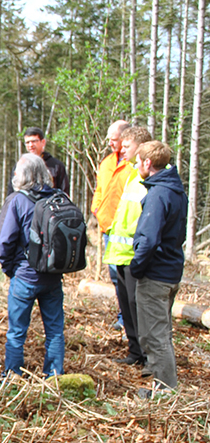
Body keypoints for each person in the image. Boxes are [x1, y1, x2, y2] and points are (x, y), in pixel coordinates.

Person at [0, 153, 64, 377]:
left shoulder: (17, 200)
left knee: (17, 332)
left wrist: (10, 269)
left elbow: (5, 242)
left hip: (25, 275)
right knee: (54, 331)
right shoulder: (58, 197)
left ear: (23, 175)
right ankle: (54, 376)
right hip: (53, 276)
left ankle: (13, 376)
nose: (14, 174)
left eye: (16, 171)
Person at [130, 140, 187, 393]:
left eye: (137, 161)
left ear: (147, 163)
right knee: (160, 332)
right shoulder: (175, 190)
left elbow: (149, 239)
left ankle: (165, 391)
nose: (135, 165)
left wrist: (137, 266)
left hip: (156, 274)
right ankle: (161, 384)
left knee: (154, 336)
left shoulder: (158, 194)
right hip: (170, 270)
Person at [104, 126, 153, 367]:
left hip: (135, 255)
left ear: (141, 148)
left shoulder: (150, 178)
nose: (122, 149)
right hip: (120, 254)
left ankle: (148, 357)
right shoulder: (132, 174)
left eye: (127, 146)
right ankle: (135, 352)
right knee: (127, 306)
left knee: (139, 307)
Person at [92, 120, 132, 329]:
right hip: (109, 228)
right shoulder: (107, 162)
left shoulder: (135, 163)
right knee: (116, 276)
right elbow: (100, 189)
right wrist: (96, 209)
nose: (109, 143)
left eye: (113, 139)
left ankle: (130, 320)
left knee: (129, 277)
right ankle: (123, 316)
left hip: (128, 230)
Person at [23, 127, 69, 193]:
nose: (31, 145)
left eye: (34, 141)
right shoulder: (21, 166)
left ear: (43, 142)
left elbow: (64, 193)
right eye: (27, 142)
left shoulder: (56, 166)